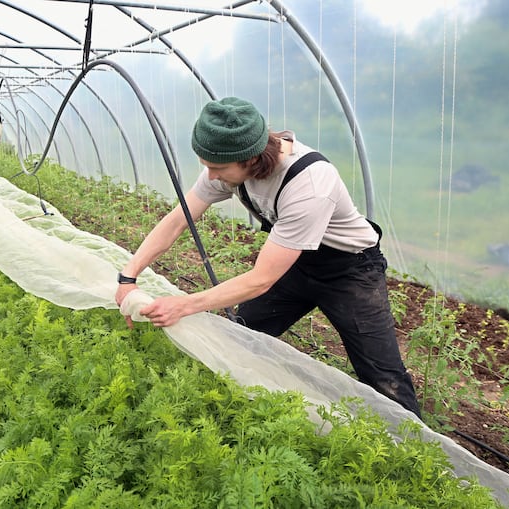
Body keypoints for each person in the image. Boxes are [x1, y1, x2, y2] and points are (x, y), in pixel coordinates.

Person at [115, 97, 421, 417]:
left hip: (350, 271)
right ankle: (230, 410)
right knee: (241, 336)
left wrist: (184, 304)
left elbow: (262, 279)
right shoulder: (228, 168)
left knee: (383, 377)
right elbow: (179, 219)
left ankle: (416, 450)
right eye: (208, 166)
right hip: (295, 263)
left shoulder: (310, 182)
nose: (211, 176)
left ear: (249, 158)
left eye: (217, 168)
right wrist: (129, 274)